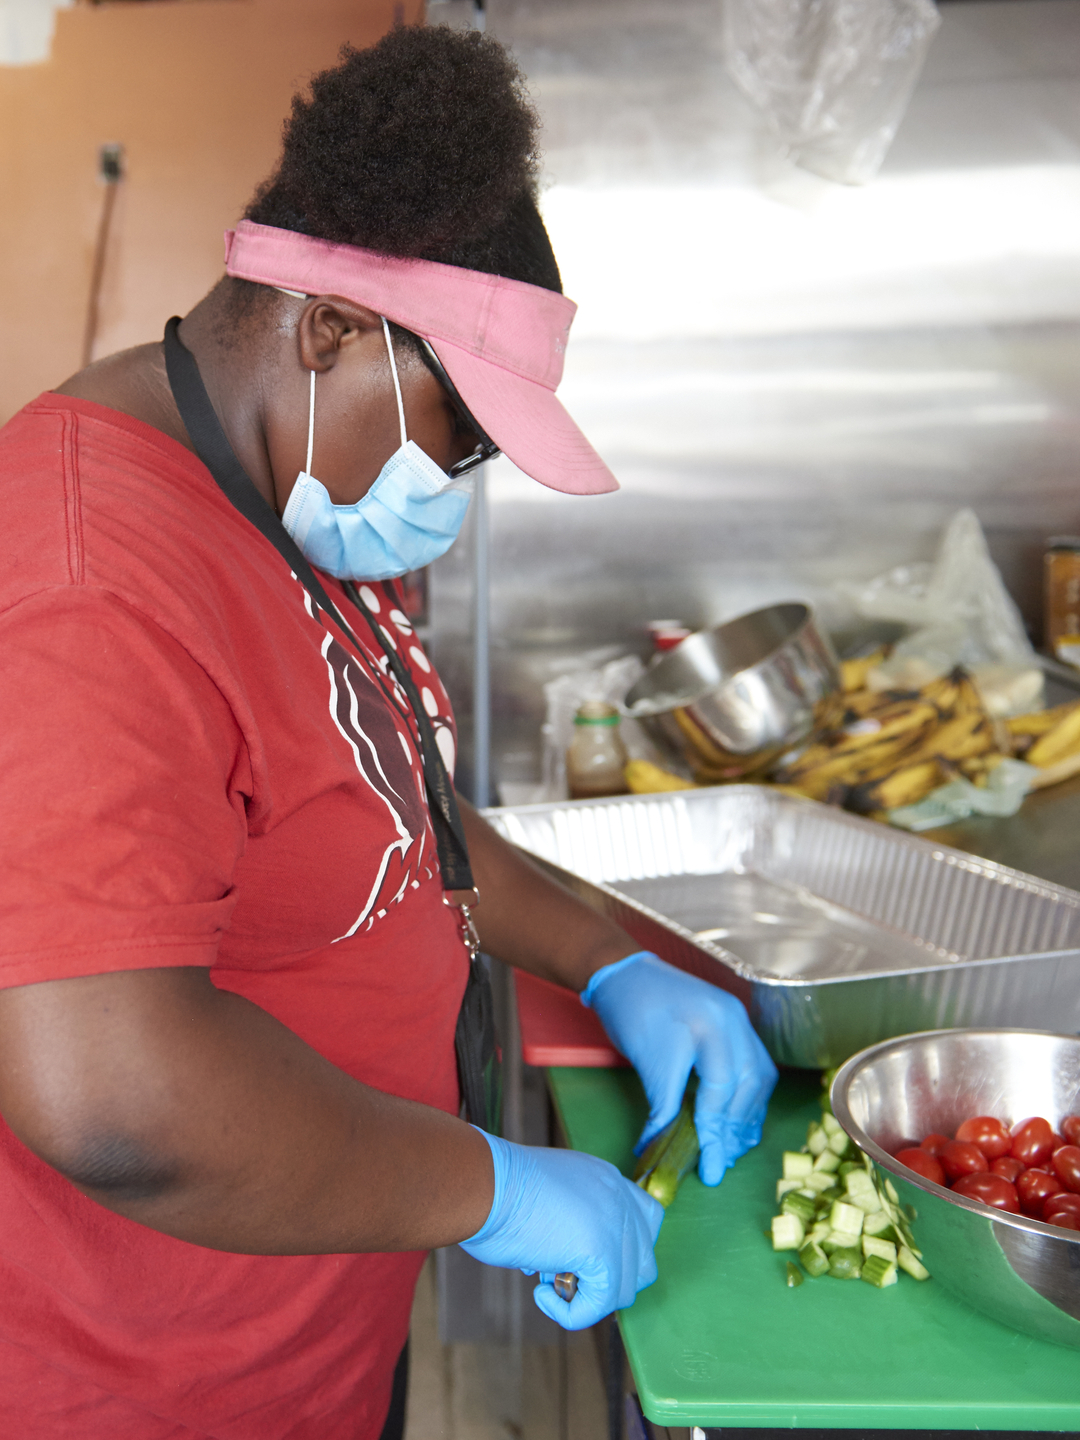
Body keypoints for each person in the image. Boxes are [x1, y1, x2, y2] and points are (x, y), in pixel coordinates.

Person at [0, 24, 777, 1440]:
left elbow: (390, 808)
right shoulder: (91, 583)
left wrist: (616, 964)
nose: (460, 482)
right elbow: (107, 1091)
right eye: (461, 433)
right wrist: (493, 1187)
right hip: (145, 1389)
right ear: (330, 329)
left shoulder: (281, 493)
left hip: (315, 1340)